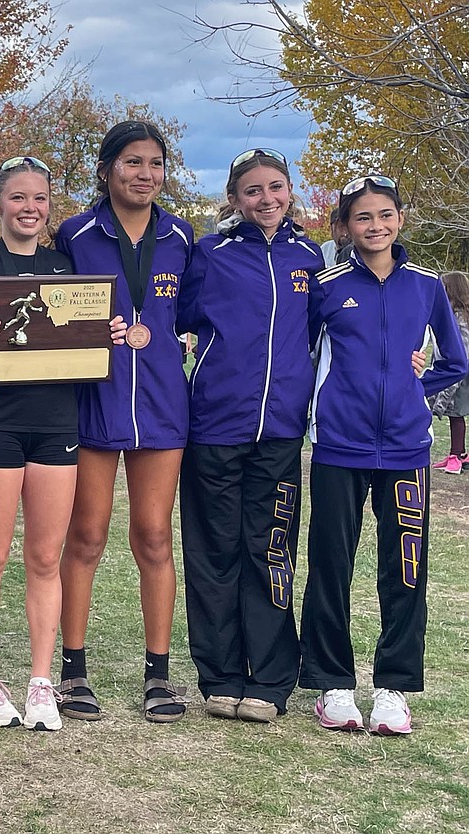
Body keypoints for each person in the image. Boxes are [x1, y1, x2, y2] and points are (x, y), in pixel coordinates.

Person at [0, 156, 126, 730]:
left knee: (47, 556)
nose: (30, 208)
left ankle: (40, 681)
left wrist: (106, 333)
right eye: (18, 197)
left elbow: (84, 335)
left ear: (50, 206)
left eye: (40, 199)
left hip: (57, 424)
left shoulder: (66, 266)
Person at [300, 175, 467, 735]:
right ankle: (333, 684)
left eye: (385, 215)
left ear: (400, 219)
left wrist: (414, 388)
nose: (376, 226)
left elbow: (455, 361)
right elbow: (301, 353)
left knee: (406, 569)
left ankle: (393, 687)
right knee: (331, 565)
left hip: (407, 447)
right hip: (338, 445)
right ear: (346, 226)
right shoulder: (326, 286)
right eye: (363, 217)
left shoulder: (426, 285)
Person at [54, 120, 194, 722]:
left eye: (155, 163)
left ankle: (158, 674)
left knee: (155, 537)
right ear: (107, 168)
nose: (145, 174)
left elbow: (194, 313)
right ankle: (73, 669)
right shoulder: (75, 234)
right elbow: (52, 313)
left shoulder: (182, 236)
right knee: (86, 535)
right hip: (95, 399)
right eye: (132, 162)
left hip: (162, 404)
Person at [175, 148, 322, 723]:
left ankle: (270, 678)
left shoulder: (309, 257)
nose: (267, 198)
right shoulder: (210, 254)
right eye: (253, 190)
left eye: (276, 187)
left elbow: (328, 331)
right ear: (235, 198)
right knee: (214, 553)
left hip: (281, 430)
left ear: (290, 191)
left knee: (271, 551)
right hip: (215, 425)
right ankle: (220, 674)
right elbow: (177, 318)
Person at [431, 271, 469, 474]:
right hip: (458, 370)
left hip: (462, 373)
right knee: (454, 413)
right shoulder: (455, 315)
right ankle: (459, 453)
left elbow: (462, 348)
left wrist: (455, 372)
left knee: (456, 412)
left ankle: (457, 456)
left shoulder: (460, 319)